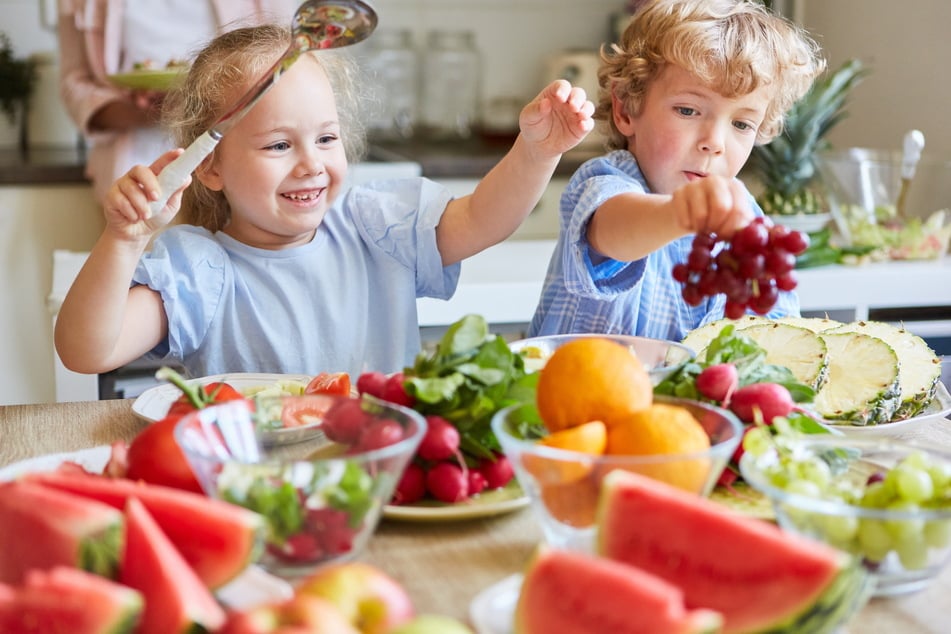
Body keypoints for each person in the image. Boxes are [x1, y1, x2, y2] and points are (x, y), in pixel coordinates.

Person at [54, 24, 595, 379]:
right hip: (259, 491)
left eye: (326, 138)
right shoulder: (199, 270)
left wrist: (536, 151)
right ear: (210, 167)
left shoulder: (374, 228)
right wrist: (123, 240)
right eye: (278, 145)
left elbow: (483, 218)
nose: (311, 163)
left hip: (378, 480)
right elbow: (87, 352)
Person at [527, 0, 825, 342]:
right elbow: (614, 233)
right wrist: (683, 213)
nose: (714, 142)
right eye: (688, 110)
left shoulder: (747, 218)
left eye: (742, 124)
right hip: (579, 393)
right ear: (626, 110)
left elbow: (774, 332)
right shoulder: (607, 182)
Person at [57, 0, 296, 205]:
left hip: (238, 165)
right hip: (137, 173)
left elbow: (285, 53)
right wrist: (150, 112)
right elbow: (75, 83)